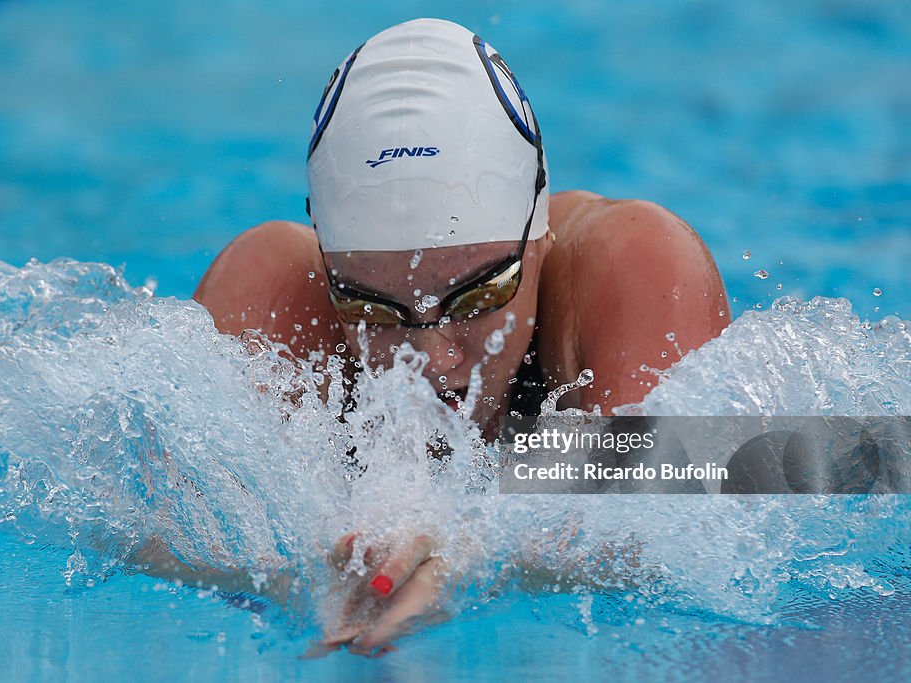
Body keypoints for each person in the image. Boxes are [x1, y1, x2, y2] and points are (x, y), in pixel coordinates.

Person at [188, 18, 730, 655]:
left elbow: (770, 473)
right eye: (373, 307)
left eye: (478, 295)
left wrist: (481, 540)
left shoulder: (629, 262)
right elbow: (168, 526)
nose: (431, 358)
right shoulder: (275, 290)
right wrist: (304, 561)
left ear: (539, 226)